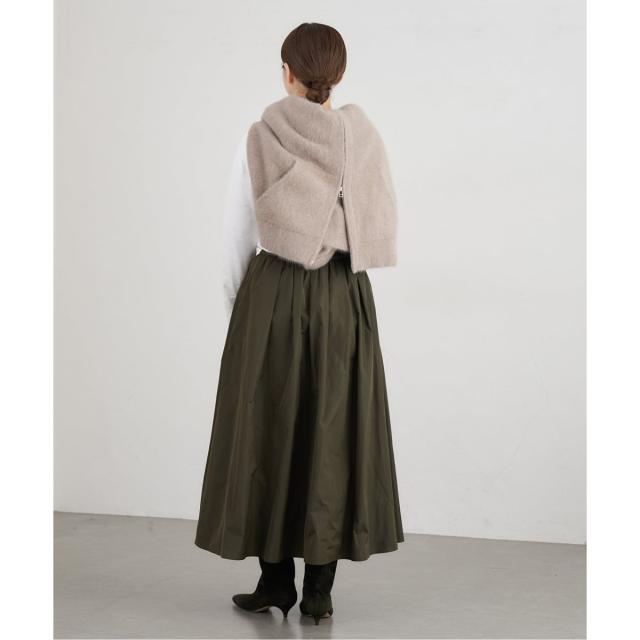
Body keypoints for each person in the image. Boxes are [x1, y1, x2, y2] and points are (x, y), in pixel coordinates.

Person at [195, 22, 403, 625]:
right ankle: (319, 591)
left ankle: (274, 581)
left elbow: (236, 235)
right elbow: (376, 217)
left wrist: (244, 315)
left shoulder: (261, 135)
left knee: (269, 428)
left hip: (274, 294)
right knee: (331, 433)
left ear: (287, 72)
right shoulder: (363, 138)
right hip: (343, 296)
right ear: (339, 74)